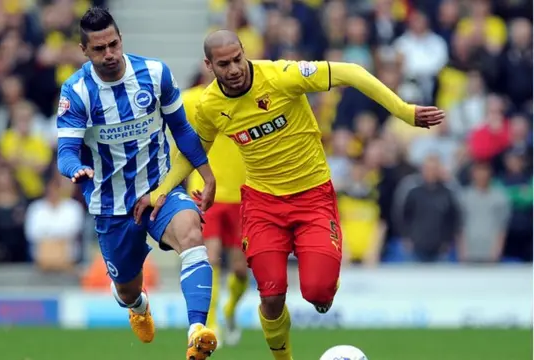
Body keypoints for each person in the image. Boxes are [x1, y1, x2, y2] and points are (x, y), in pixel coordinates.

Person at [141, 30, 444, 360]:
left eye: (237, 59)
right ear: (209, 65)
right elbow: (193, 148)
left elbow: (352, 72)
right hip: (261, 204)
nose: (233, 69)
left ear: (245, 53)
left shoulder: (282, 76)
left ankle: (324, 279)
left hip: (312, 197)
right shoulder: (211, 104)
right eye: (223, 64)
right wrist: (163, 190)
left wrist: (404, 111)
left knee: (318, 294)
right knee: (270, 297)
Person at [56, 8, 218, 360]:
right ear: (85, 51)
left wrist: (206, 174)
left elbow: (182, 130)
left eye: (113, 44)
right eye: (99, 49)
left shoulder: (155, 74)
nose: (109, 53)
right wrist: (75, 169)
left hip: (160, 190)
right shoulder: (77, 91)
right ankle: (138, 305)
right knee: (127, 288)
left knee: (191, 232)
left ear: (121, 39)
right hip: (111, 206)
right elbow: (65, 150)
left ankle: (196, 333)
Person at [181, 63, 249, 346]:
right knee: (211, 257)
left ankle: (230, 309)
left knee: (241, 270)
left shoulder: (246, 98)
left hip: (242, 195)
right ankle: (210, 324)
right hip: (204, 192)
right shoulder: (191, 99)